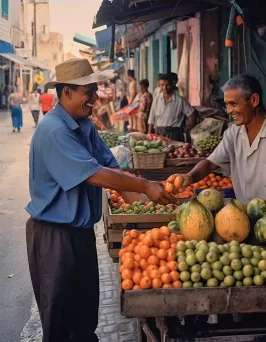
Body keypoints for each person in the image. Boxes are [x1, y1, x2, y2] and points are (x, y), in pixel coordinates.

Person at [25, 58, 175, 342]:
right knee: (60, 324)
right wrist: (145, 185)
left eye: (94, 89)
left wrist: (151, 212)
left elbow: (112, 170)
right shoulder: (55, 131)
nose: (94, 97)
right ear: (66, 92)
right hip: (54, 237)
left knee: (84, 319)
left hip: (80, 234)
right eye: (87, 91)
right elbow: (95, 175)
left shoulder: (85, 125)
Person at [172, 74, 266, 215]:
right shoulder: (233, 133)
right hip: (246, 219)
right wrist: (190, 176)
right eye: (227, 105)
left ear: (254, 100)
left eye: (233, 104)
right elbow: (210, 163)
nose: (228, 111)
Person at [148, 73, 196, 142]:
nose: (165, 87)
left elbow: (192, 113)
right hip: (158, 134)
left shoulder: (180, 100)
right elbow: (151, 119)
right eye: (162, 85)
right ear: (159, 85)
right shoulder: (157, 99)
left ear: (172, 84)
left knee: (174, 152)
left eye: (167, 85)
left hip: (174, 135)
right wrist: (148, 135)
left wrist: (189, 127)